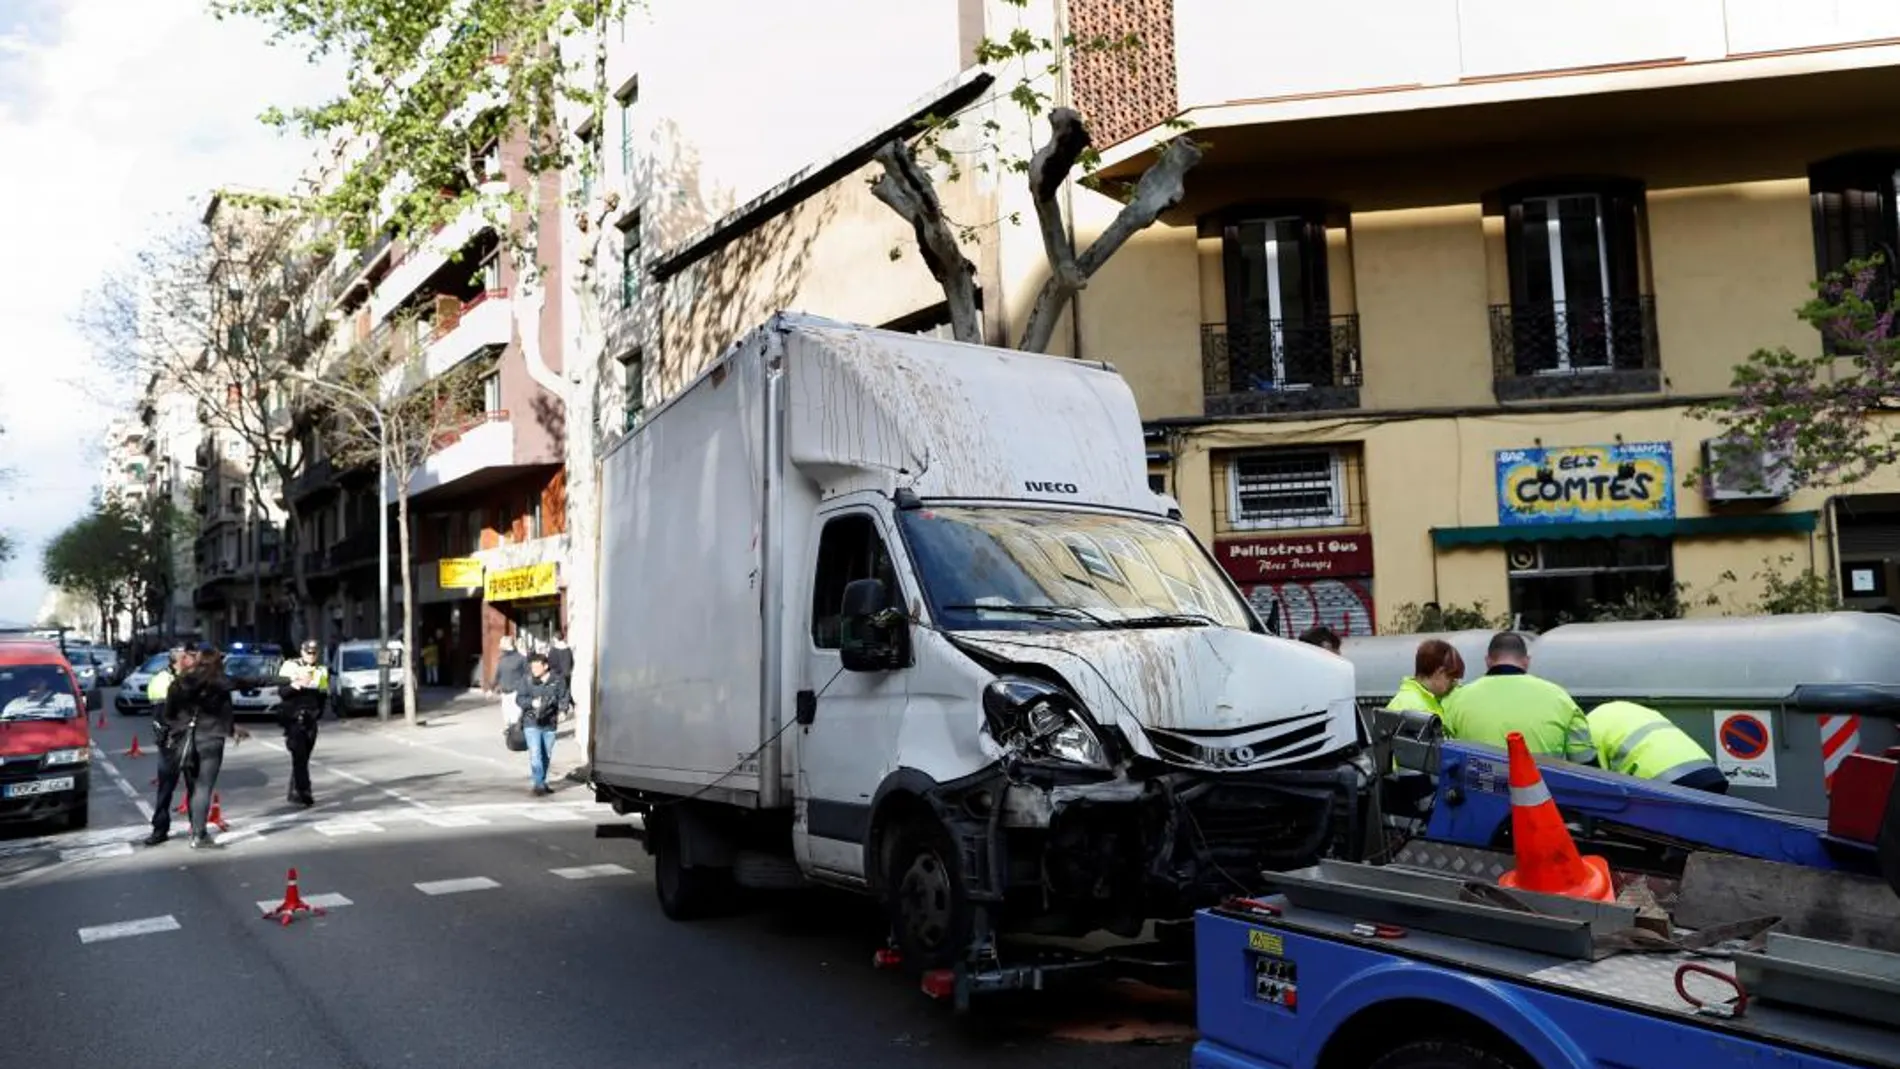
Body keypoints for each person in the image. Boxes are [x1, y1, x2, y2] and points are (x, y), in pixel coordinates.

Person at [147, 645, 254, 848]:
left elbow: (170, 714)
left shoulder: (179, 682)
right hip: (196, 740)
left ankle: (193, 829)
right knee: (197, 787)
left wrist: (183, 728)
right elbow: (247, 683)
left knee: (194, 786)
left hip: (186, 739)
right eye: (186, 656)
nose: (189, 659)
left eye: (192, 656)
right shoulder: (216, 681)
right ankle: (192, 833)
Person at [1441, 631, 1595, 764]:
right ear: (1526, 661)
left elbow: (1442, 758)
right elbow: (1584, 759)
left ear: (1488, 661)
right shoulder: (1559, 697)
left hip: (1481, 795)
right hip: (1544, 795)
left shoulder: (1456, 700)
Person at [1585, 700, 1728, 793]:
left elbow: (1598, 779)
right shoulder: (1627, 709)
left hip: (1667, 782)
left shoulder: (1588, 727)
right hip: (1709, 773)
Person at [277, 639, 329, 807]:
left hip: (310, 719)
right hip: (293, 718)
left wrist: (317, 714)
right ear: (302, 651)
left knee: (303, 758)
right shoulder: (290, 666)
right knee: (298, 755)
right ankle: (304, 790)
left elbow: (322, 695)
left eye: (314, 653)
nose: (311, 656)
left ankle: (295, 790)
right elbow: (282, 692)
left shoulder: (321, 670)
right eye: (308, 652)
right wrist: (297, 684)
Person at [515, 653, 570, 796]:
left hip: (550, 723)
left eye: (537, 666)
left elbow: (564, 696)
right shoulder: (527, 680)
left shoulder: (557, 680)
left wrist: (563, 711)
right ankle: (538, 784)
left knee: (546, 754)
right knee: (536, 754)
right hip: (531, 722)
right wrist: (532, 703)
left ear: (545, 666)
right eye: (532, 667)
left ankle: (542, 782)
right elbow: (519, 699)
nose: (534, 669)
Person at [1386, 639, 1465, 718]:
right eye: (1451, 679)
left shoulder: (1418, 700)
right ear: (1440, 673)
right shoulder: (1417, 709)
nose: (1455, 684)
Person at [490, 635, 528, 729]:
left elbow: (527, 674)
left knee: (515, 717)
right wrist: (491, 688)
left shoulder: (521, 658)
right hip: (505, 692)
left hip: (516, 691)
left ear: (506, 645)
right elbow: (498, 674)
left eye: (501, 644)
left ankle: (516, 734)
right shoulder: (502, 659)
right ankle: (510, 733)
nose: (499, 646)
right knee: (507, 718)